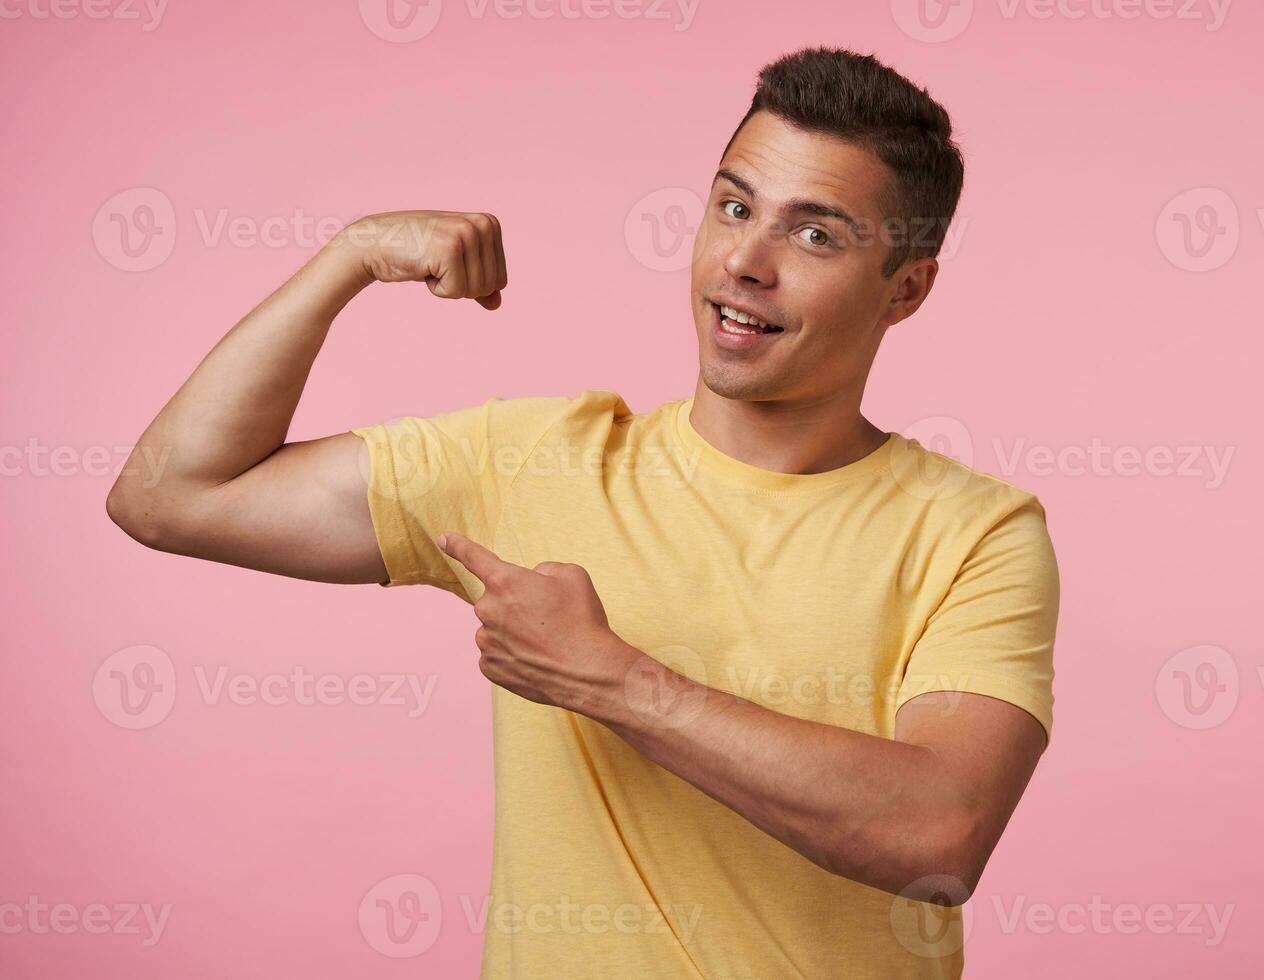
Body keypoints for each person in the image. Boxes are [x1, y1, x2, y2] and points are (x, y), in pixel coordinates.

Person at [108, 45, 1060, 979]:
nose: (746, 261)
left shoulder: (974, 532)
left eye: (815, 235)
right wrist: (347, 259)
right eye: (734, 207)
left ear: (907, 288)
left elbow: (940, 832)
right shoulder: (535, 460)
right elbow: (171, 495)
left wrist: (609, 681)